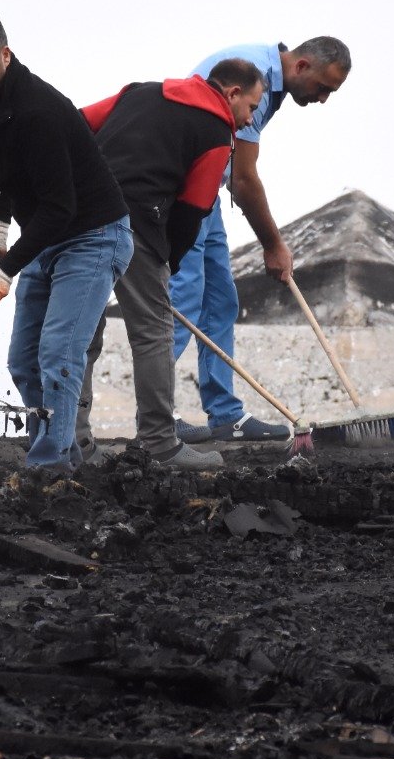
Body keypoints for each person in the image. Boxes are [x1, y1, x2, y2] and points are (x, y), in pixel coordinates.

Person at [0, 11, 132, 472]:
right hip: (50, 239)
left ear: (5, 55)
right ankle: (60, 455)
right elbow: (5, 173)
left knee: (58, 354)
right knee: (25, 361)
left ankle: (47, 466)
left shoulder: (39, 111)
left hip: (92, 238)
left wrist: (7, 268)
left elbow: (60, 207)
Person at [73, 60, 267, 469]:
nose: (250, 118)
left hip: (80, 212)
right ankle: (160, 443)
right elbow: (193, 210)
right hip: (137, 221)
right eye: (251, 106)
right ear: (231, 94)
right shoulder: (217, 129)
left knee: (83, 329)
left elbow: (75, 123)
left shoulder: (140, 90)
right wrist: (169, 263)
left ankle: (73, 440)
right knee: (154, 332)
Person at [170, 37, 351, 444]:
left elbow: (232, 172)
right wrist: (273, 245)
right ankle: (158, 416)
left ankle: (225, 415)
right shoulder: (254, 76)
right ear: (302, 65)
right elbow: (244, 178)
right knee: (185, 294)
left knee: (220, 300)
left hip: (207, 189)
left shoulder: (270, 78)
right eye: (323, 87)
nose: (322, 99)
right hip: (183, 188)